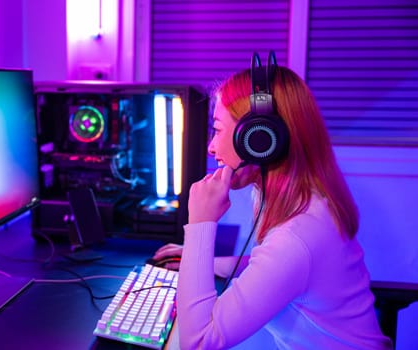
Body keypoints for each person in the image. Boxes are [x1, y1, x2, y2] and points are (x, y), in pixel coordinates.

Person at [151, 52, 393, 349]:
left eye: (217, 130)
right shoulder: (301, 199)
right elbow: (269, 266)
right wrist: (196, 260)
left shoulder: (297, 235)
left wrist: (201, 223)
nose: (212, 147)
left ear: (259, 139)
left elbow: (198, 341)